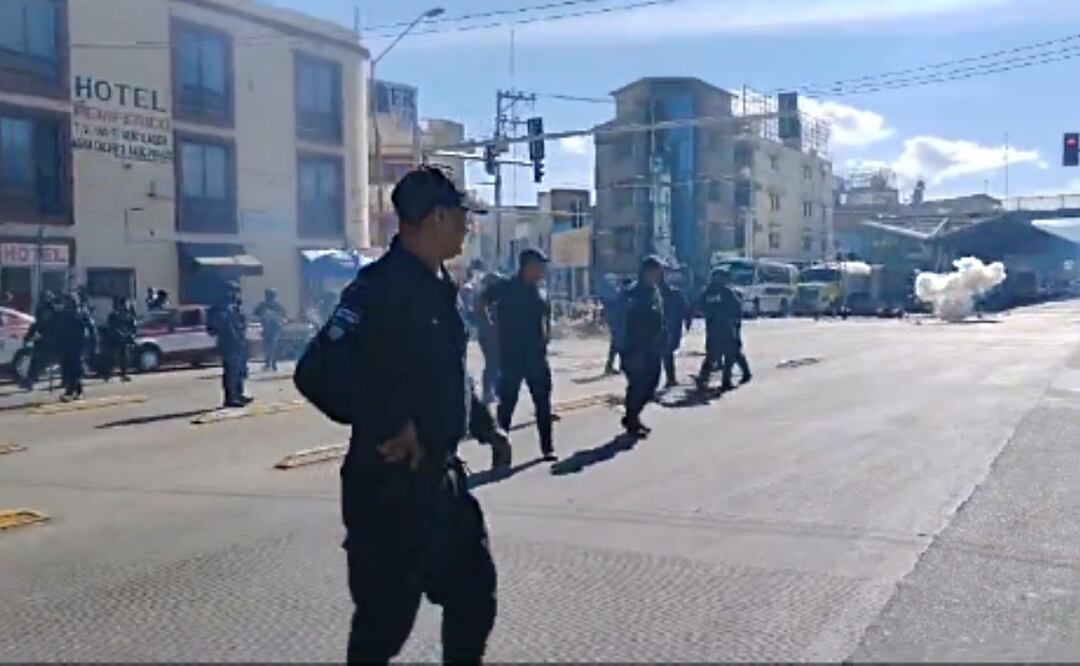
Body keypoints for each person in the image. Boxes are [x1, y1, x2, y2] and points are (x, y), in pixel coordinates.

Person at [327, 166, 510, 663]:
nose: (467, 229)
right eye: (462, 218)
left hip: (440, 485)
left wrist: (485, 427)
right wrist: (389, 423)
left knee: (474, 597)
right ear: (436, 218)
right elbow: (318, 371)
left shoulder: (439, 286)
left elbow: (448, 374)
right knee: (383, 626)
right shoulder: (378, 290)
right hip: (388, 490)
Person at [483, 248, 557, 461]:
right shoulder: (506, 287)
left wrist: (547, 336)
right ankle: (500, 453)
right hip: (512, 356)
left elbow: (546, 316)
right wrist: (488, 328)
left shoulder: (539, 291)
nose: (542, 270)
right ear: (527, 266)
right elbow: (482, 300)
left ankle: (547, 448)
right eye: (539, 266)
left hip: (536, 356)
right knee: (506, 405)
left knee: (543, 403)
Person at [620, 256, 668, 436]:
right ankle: (631, 421)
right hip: (635, 349)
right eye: (656, 271)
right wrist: (628, 350)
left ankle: (632, 416)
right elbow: (626, 323)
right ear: (646, 272)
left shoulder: (654, 291)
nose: (658, 275)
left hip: (652, 348)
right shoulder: (633, 293)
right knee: (637, 386)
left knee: (650, 386)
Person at [695, 268, 752, 392]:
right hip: (714, 328)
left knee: (731, 354)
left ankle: (729, 379)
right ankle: (703, 378)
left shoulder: (728, 292)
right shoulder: (708, 292)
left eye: (722, 277)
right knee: (713, 354)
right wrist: (708, 314)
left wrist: (735, 322)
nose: (721, 280)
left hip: (727, 327)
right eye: (719, 277)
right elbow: (698, 307)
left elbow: (737, 308)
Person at [208, 281, 251, 408]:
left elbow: (241, 322)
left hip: (239, 341)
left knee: (240, 369)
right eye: (233, 291)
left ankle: (239, 394)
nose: (236, 294)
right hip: (228, 342)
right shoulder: (220, 306)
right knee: (231, 371)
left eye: (237, 291)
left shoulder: (235, 305)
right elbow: (221, 325)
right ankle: (231, 397)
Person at [55, 294, 93, 401]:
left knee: (74, 369)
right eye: (67, 302)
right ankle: (75, 391)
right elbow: (59, 329)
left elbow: (90, 329)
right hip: (66, 344)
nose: (68, 304)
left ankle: (72, 392)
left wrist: (90, 345)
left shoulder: (82, 314)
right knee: (67, 368)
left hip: (78, 345)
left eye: (70, 302)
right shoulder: (63, 314)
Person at [658, 268, 692, 387]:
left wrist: (688, 321)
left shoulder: (675, 293)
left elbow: (685, 309)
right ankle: (669, 379)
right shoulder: (651, 293)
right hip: (661, 328)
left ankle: (670, 379)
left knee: (666, 353)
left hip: (671, 327)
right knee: (664, 354)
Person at [475, 272, 502, 403]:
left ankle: (494, 390)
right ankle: (487, 392)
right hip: (489, 336)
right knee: (492, 363)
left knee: (495, 363)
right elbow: (485, 318)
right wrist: (491, 327)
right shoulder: (486, 299)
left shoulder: (488, 298)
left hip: (489, 335)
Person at [104, 296, 137, 382]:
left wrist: (131, 335)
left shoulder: (129, 315)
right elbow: (111, 327)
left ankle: (124, 374)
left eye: (127, 304)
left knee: (125, 357)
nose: (126, 306)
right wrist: (120, 334)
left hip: (125, 339)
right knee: (112, 357)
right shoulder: (114, 315)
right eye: (124, 304)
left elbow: (133, 327)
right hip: (114, 339)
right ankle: (107, 374)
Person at [602, 279, 632, 375]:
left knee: (616, 346)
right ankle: (617, 366)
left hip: (618, 325)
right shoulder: (624, 296)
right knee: (620, 346)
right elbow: (622, 312)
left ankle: (611, 366)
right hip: (620, 325)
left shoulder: (619, 295)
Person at [254, 288, 287, 372]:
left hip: (274, 328)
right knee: (269, 346)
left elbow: (284, 315)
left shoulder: (276, 305)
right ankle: (269, 363)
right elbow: (255, 313)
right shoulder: (263, 305)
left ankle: (272, 363)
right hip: (267, 327)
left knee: (271, 345)